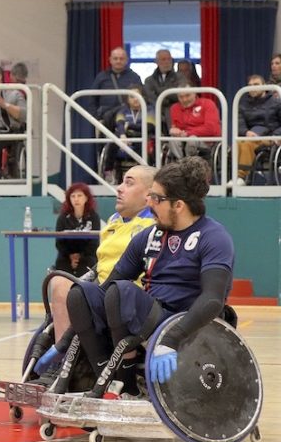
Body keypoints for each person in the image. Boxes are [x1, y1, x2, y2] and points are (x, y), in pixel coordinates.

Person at [64, 156, 233, 397]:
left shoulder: (213, 237)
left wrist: (172, 339)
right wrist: (67, 337)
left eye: (156, 198)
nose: (149, 203)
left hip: (184, 319)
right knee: (81, 293)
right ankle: (110, 376)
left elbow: (213, 300)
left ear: (178, 205)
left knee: (120, 292)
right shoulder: (149, 235)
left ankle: (128, 382)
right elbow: (106, 288)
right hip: (151, 313)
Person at [40, 165, 157, 367]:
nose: (119, 188)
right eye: (120, 182)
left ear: (149, 195)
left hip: (130, 297)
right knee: (60, 283)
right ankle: (62, 363)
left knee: (80, 292)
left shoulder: (153, 224)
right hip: (102, 288)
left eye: (128, 183)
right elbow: (101, 261)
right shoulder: (113, 220)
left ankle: (68, 361)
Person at [233, 74, 281, 186]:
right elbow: (239, 123)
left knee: (246, 144)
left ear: (264, 86)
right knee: (239, 143)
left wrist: (275, 135)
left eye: (256, 85)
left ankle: (240, 177)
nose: (252, 88)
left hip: (269, 138)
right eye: (249, 85)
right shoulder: (242, 104)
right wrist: (246, 132)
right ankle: (238, 178)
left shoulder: (276, 102)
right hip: (249, 136)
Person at [103, 85, 155, 182]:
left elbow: (149, 126)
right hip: (124, 138)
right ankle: (108, 171)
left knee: (142, 138)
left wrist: (129, 126)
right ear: (127, 99)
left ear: (143, 96)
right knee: (114, 138)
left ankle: (143, 175)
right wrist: (123, 136)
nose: (135, 99)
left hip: (143, 137)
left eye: (137, 96)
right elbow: (119, 124)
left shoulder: (150, 109)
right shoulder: (123, 110)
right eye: (132, 97)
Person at [88, 47, 142, 129]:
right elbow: (92, 99)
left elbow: (141, 98)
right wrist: (96, 118)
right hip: (105, 119)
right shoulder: (101, 77)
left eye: (121, 59)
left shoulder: (134, 77)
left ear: (126, 60)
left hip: (129, 119)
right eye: (115, 58)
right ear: (110, 60)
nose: (118, 61)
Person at [54, 183, 100, 278]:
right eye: (73, 196)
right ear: (69, 199)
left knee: (88, 267)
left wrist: (80, 256)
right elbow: (59, 242)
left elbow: (94, 242)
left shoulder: (94, 217)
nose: (76, 199)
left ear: (86, 198)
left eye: (79, 195)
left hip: (87, 256)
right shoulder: (62, 217)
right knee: (61, 269)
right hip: (66, 256)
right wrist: (71, 256)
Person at [167, 83, 221, 160]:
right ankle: (180, 163)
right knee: (172, 140)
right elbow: (175, 127)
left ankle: (190, 164)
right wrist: (173, 130)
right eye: (181, 97)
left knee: (192, 140)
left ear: (195, 93)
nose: (184, 99)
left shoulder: (208, 104)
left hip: (206, 141)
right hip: (183, 141)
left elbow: (211, 128)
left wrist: (187, 133)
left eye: (187, 95)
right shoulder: (174, 108)